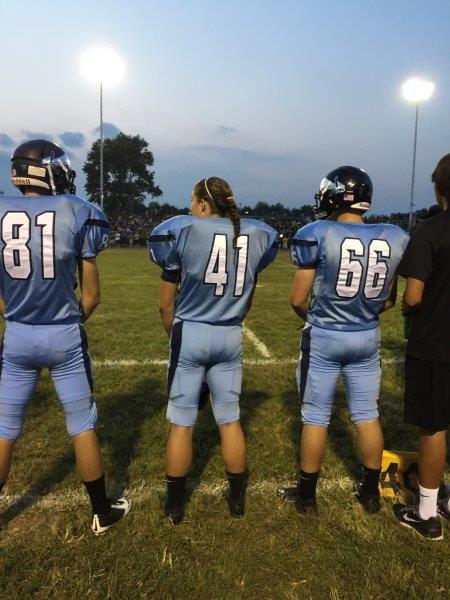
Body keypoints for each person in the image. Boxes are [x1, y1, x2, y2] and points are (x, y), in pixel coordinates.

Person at [0, 139, 130, 535]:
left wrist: (15, 318)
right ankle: (101, 512)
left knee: (4, 428)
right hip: (65, 336)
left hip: (18, 336)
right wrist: (75, 319)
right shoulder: (78, 212)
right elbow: (91, 295)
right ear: (45, 170)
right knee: (81, 424)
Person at [278, 166, 408, 513]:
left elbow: (297, 299)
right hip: (367, 336)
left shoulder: (317, 232)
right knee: (367, 413)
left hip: (324, 336)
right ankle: (369, 492)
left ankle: (306, 496)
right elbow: (390, 300)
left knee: (316, 415)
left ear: (337, 195)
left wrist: (321, 319)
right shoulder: (394, 236)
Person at [149, 176, 278, 523]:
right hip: (230, 335)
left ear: (204, 204)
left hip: (190, 331)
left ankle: (174, 505)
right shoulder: (256, 234)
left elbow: (165, 307)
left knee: (181, 423)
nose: (190, 207)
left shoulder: (183, 231)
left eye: (193, 200)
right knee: (229, 418)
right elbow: (248, 296)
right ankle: (237, 499)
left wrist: (174, 335)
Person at [394, 154, 450, 540]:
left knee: (434, 427)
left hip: (437, 341)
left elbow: (413, 296)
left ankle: (427, 512)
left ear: (437, 185)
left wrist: (408, 306)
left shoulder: (430, 230)